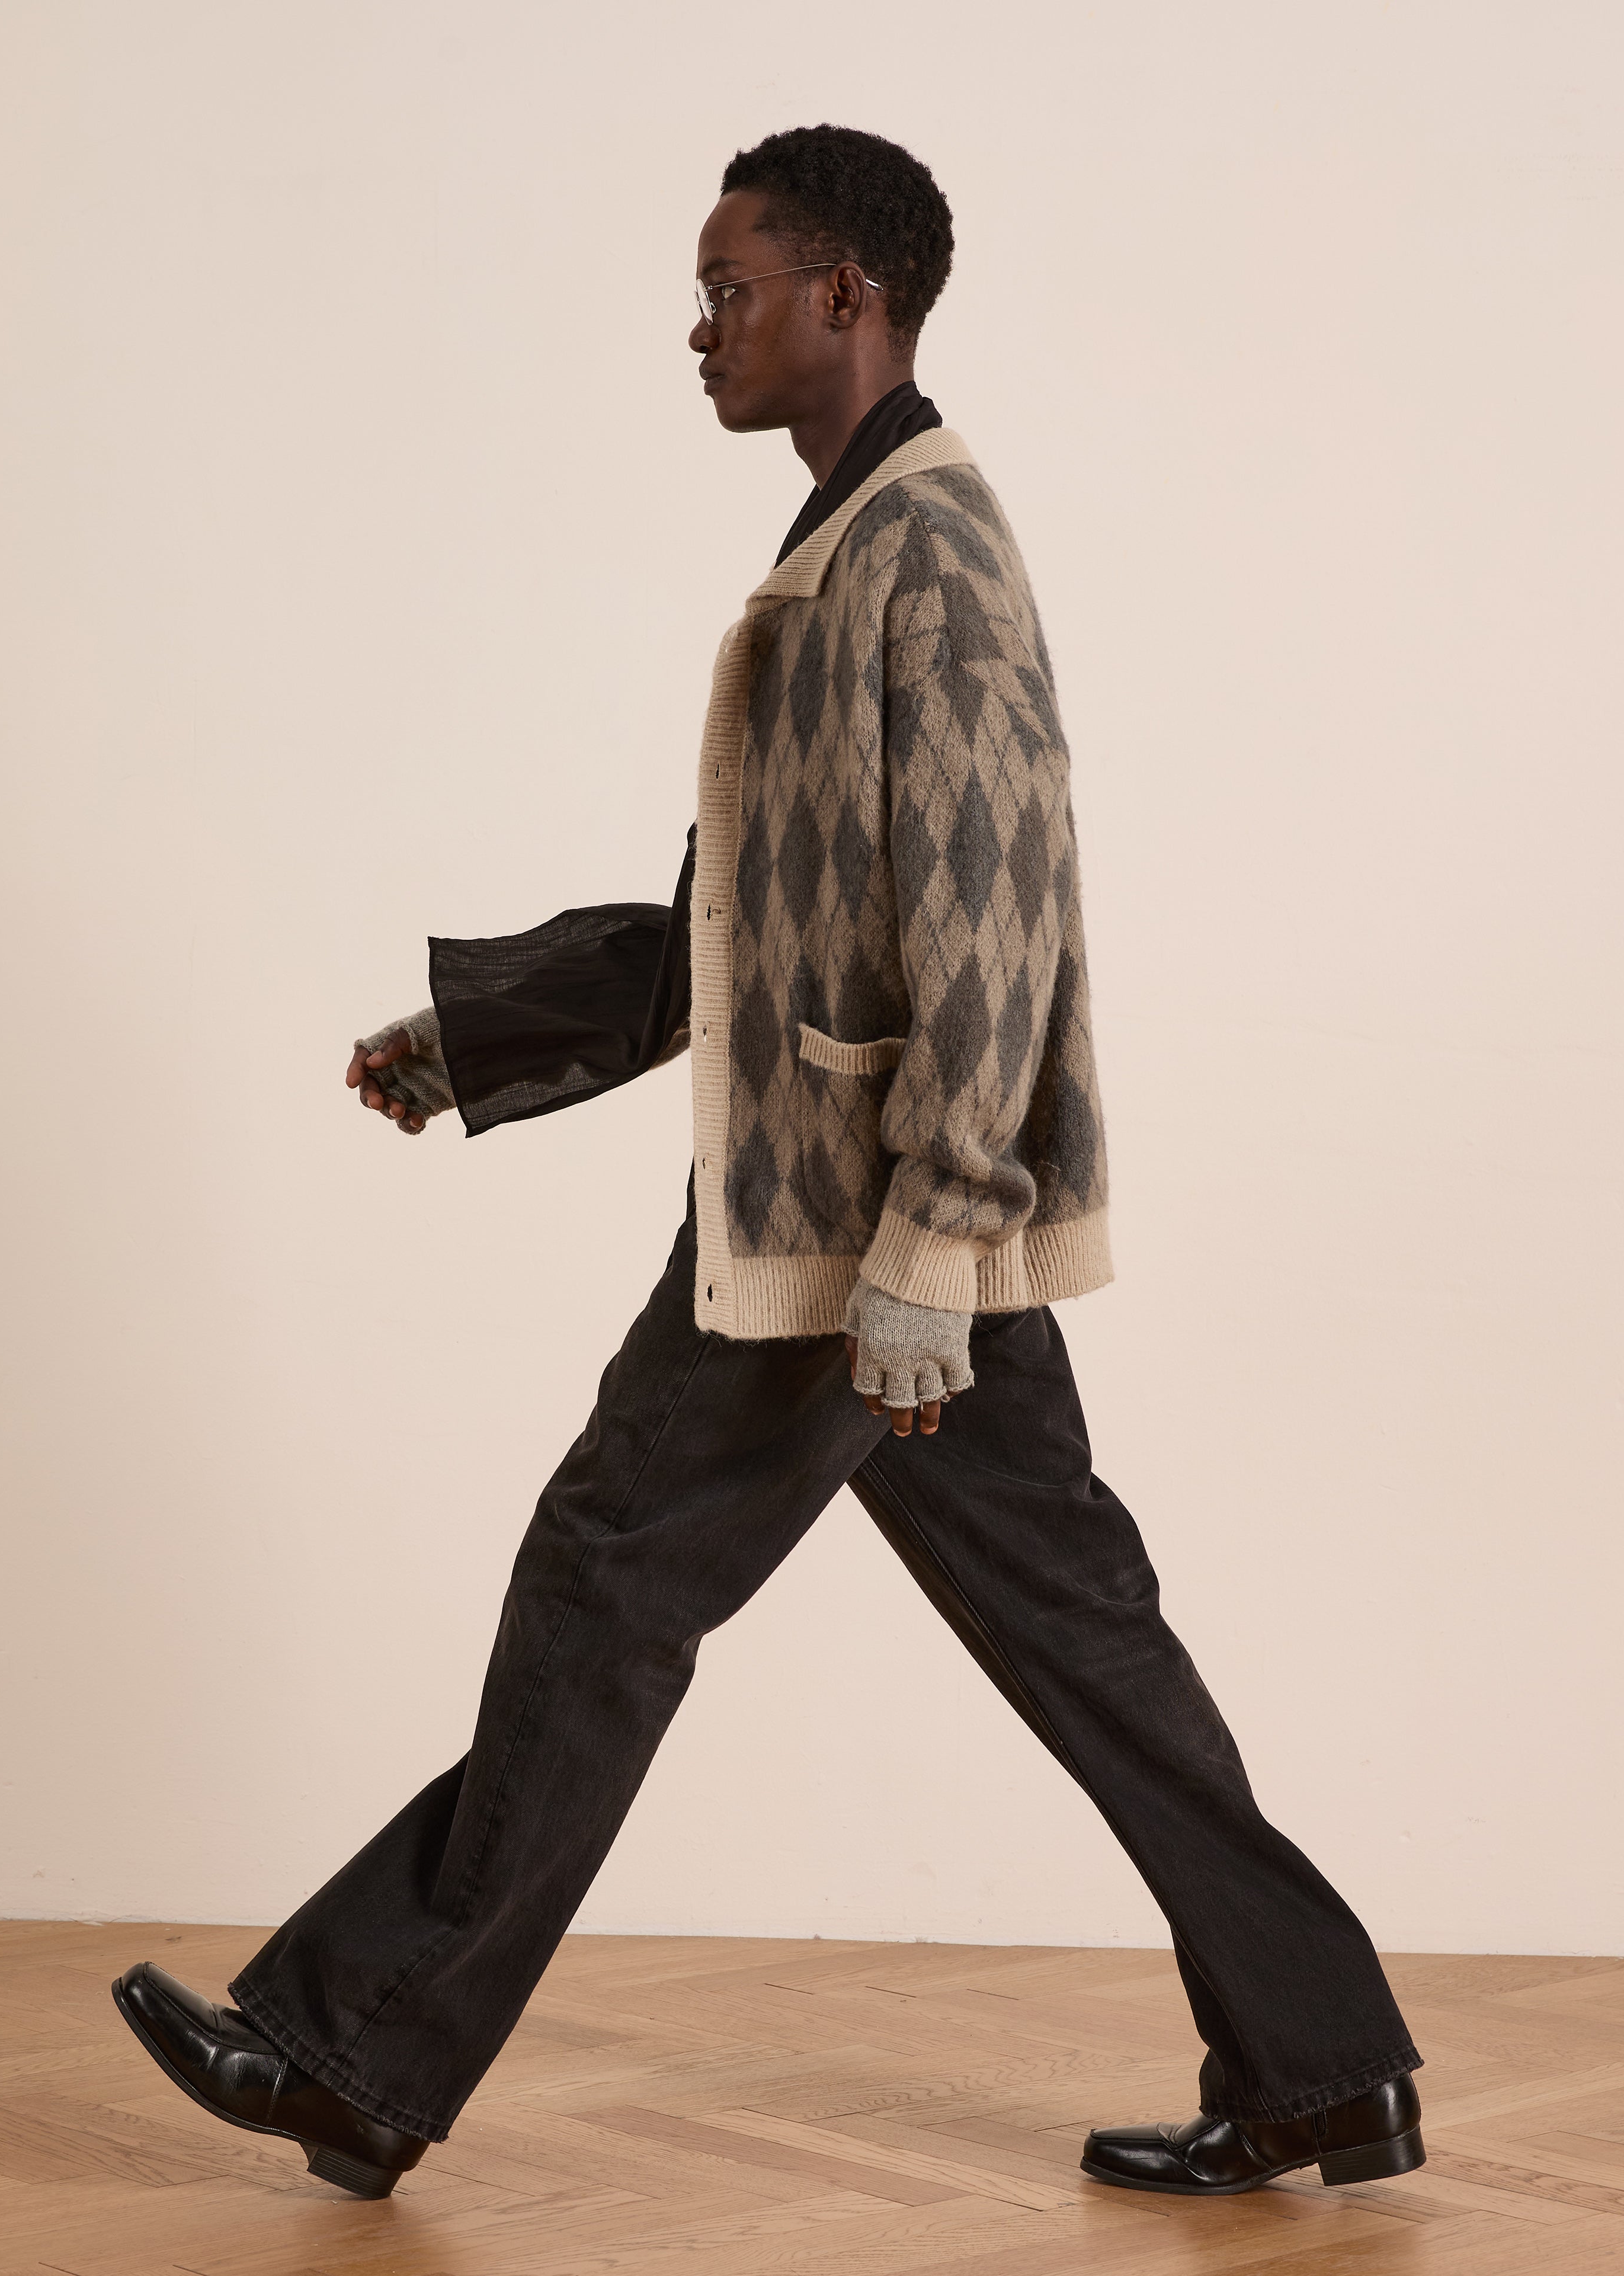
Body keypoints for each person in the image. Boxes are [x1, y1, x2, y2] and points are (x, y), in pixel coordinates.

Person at [110, 124, 1425, 2205]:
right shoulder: (848, 539)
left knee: (604, 1581)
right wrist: (488, 1036)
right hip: (871, 1223)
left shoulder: (933, 553)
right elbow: (746, 927)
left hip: (849, 1236)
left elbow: (1003, 922)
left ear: (848, 296)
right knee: (1086, 1636)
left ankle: (361, 2048)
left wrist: (935, 1239)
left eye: (729, 281)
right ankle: (1326, 2067)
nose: (698, 321)